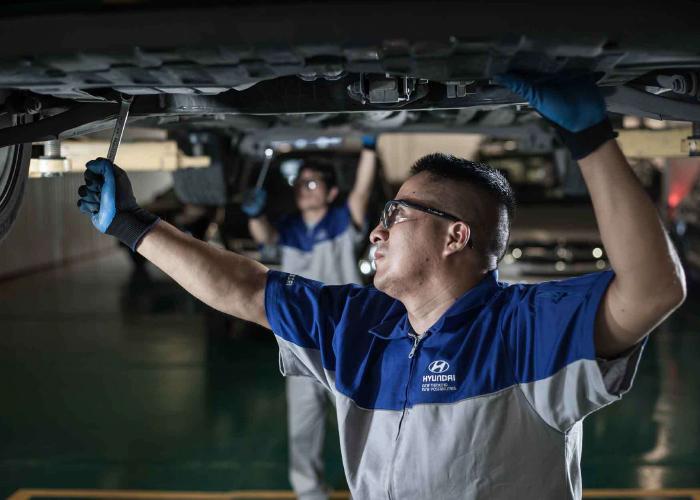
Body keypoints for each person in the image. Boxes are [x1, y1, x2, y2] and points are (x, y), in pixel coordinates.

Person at [77, 75, 686, 499]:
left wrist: (590, 139)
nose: (376, 231)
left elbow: (655, 289)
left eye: (396, 215)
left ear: (454, 237)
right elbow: (244, 286)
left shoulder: (527, 330)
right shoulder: (356, 327)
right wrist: (136, 226)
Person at [240, 140, 378, 500]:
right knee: (303, 424)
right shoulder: (287, 228)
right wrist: (254, 215)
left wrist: (369, 150)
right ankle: (309, 493)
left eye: (313, 182)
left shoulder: (343, 221)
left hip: (347, 339)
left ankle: (380, 488)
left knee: (368, 420)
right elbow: (265, 238)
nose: (304, 188)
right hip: (300, 341)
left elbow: (361, 192)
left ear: (331, 192)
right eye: (300, 182)